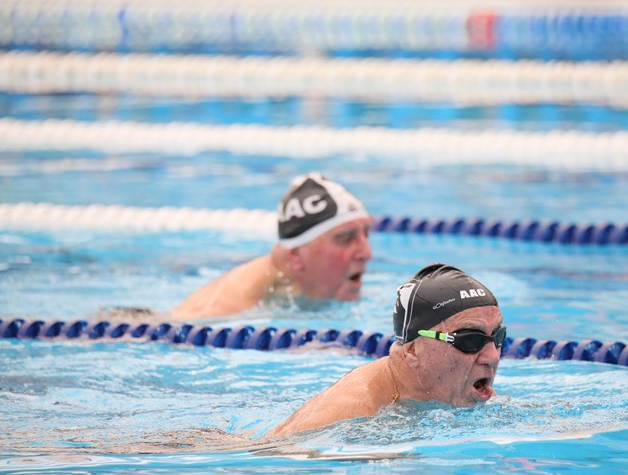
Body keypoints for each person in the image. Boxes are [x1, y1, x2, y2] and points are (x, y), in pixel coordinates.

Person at [265, 263, 505, 438]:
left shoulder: (462, 390)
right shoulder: (344, 417)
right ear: (411, 351)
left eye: (498, 337)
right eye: (469, 340)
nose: (492, 356)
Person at [170, 173, 373, 320]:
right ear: (295, 256)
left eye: (366, 234)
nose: (366, 253)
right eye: (346, 239)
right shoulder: (223, 313)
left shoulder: (289, 285)